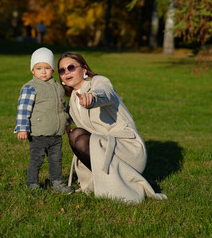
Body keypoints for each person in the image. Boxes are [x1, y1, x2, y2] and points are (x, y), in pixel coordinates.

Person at [57, 52, 167, 203]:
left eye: (71, 67)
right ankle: (110, 183)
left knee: (77, 136)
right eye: (62, 70)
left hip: (126, 149)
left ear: (84, 69)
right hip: (103, 150)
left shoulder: (98, 82)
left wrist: (93, 97)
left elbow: (106, 93)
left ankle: (126, 184)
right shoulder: (73, 102)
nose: (66, 72)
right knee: (75, 136)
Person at [14, 47, 74, 194]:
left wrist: (67, 123)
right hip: (38, 133)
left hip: (56, 134)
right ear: (32, 70)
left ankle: (57, 182)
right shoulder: (30, 88)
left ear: (53, 69)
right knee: (37, 160)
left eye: (47, 68)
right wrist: (22, 128)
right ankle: (32, 183)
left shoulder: (58, 87)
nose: (43, 71)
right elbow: (23, 109)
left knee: (56, 160)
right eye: (39, 68)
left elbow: (62, 108)